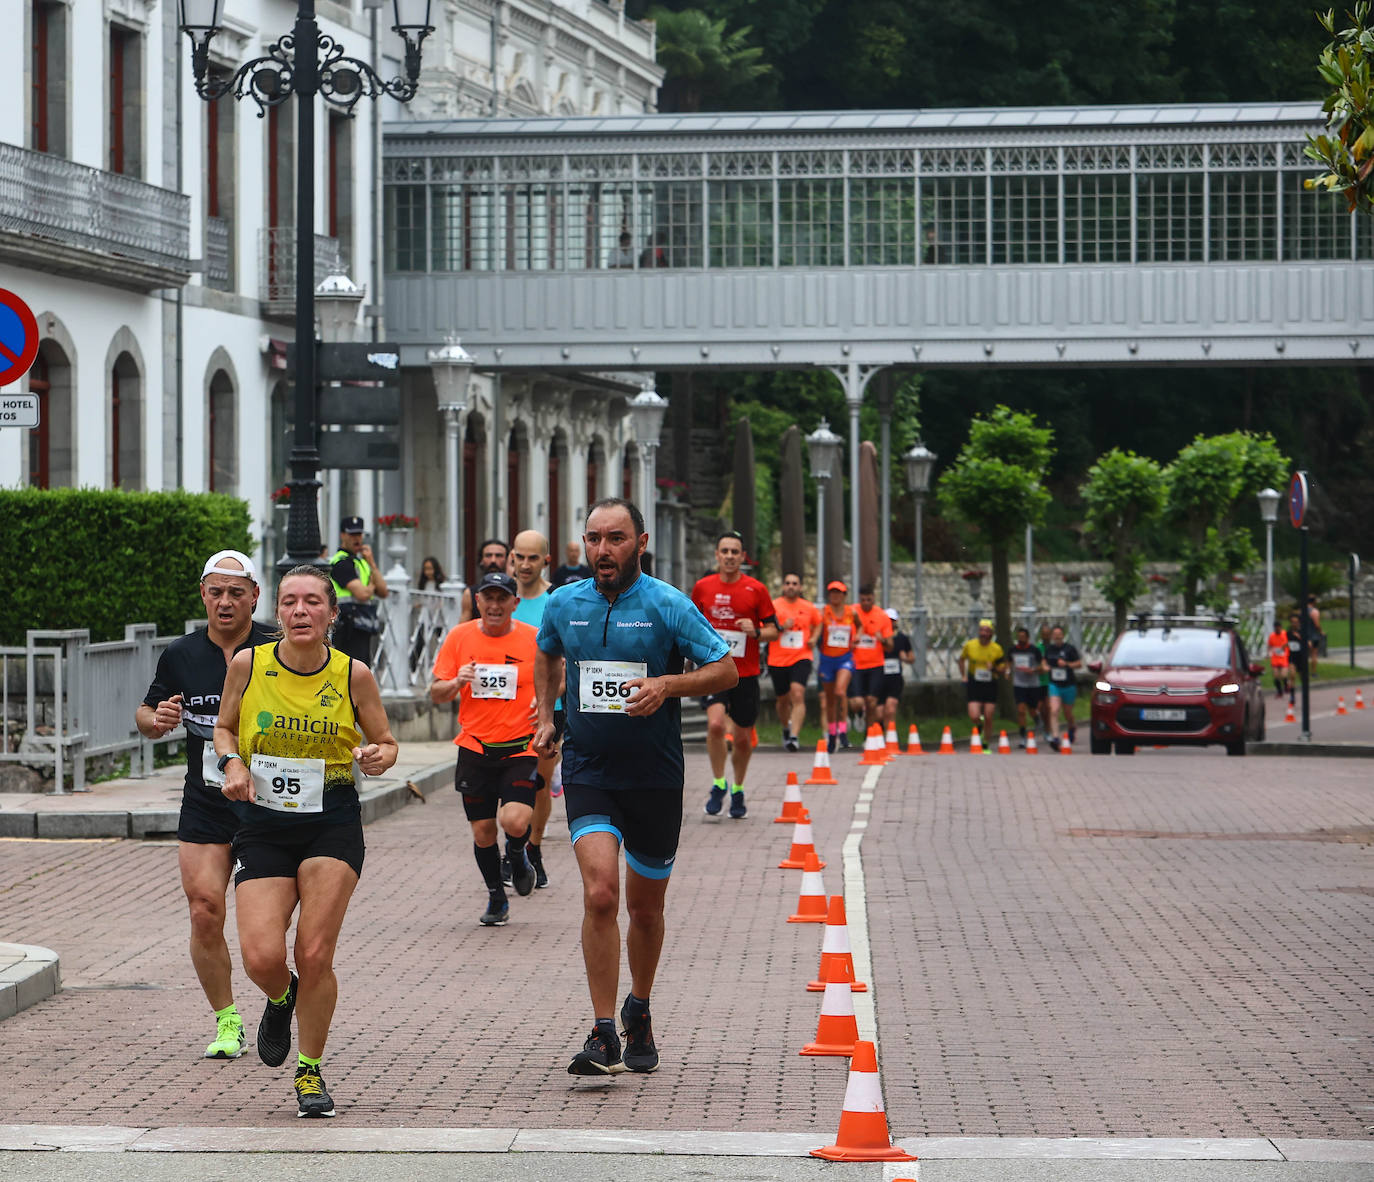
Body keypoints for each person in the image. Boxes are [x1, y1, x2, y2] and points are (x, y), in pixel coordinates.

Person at [533, 498, 735, 1076]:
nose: (603, 550)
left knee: (646, 909)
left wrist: (667, 685)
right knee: (601, 894)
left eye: (615, 538)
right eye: (594, 538)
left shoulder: (668, 604)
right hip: (591, 770)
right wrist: (547, 716)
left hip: (654, 777)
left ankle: (638, 1008)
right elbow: (545, 652)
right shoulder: (562, 603)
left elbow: (727, 669)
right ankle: (602, 1032)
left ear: (640, 542)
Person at [213, 565, 398, 1118]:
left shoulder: (353, 674)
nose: (300, 611)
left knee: (314, 952)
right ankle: (279, 995)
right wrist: (232, 762)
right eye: (290, 601)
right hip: (264, 822)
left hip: (330, 819)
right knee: (261, 957)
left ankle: (310, 1072)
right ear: (276, 613)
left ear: (331, 613)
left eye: (312, 602)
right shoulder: (249, 664)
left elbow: (386, 742)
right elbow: (224, 728)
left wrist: (375, 756)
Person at [135, 550, 277, 1061]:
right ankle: (227, 1019)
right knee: (203, 909)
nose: (225, 601)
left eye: (236, 593)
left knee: (268, 926)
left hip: (268, 801)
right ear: (202, 595)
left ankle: (279, 995)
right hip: (206, 800)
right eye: (215, 592)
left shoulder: (278, 648)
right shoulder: (181, 654)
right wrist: (158, 718)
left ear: (255, 597)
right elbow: (146, 712)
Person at [429, 570, 541, 926]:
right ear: (477, 602)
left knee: (515, 819)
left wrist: (546, 699)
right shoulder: (460, 637)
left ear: (514, 603)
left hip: (520, 747)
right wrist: (455, 681)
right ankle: (497, 896)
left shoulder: (534, 639)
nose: (494, 605)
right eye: (487, 598)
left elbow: (561, 672)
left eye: (501, 598)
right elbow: (436, 692)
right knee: (482, 831)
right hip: (475, 748)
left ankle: (519, 852)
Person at [691, 531, 778, 819]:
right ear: (717, 555)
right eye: (724, 551)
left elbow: (774, 629)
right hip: (714, 670)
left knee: (742, 738)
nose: (729, 556)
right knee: (715, 725)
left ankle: (738, 788)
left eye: (734, 552)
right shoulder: (703, 587)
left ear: (742, 557)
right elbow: (691, 625)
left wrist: (756, 631)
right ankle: (718, 783)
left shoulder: (756, 590)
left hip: (746, 674)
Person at [508, 529, 562, 888]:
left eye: (532, 558)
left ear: (546, 560)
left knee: (539, 783)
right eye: (519, 557)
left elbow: (566, 660)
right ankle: (514, 850)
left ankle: (534, 846)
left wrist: (546, 701)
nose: (525, 565)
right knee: (507, 786)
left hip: (546, 709)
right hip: (503, 709)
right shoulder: (498, 597)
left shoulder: (556, 601)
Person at [768, 571, 821, 753]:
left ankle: (794, 736)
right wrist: (782, 627)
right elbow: (764, 628)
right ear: (783, 586)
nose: (791, 586)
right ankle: (786, 727)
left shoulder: (809, 607)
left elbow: (819, 623)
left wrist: (814, 638)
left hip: (801, 656)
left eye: (795, 583)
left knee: (797, 694)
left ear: (800, 587)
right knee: (782, 700)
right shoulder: (774, 606)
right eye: (788, 583)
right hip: (777, 659)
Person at [329, 517, 389, 666]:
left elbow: (383, 591)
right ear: (343, 535)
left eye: (359, 535)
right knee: (348, 669)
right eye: (352, 535)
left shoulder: (362, 562)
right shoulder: (340, 562)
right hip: (345, 625)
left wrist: (372, 563)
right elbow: (362, 594)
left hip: (362, 624)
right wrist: (371, 585)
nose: (357, 539)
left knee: (362, 668)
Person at [847, 585, 894, 735]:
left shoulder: (882, 616)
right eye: (863, 600)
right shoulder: (852, 612)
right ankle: (857, 714)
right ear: (859, 599)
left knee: (872, 702)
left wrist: (882, 640)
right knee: (857, 703)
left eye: (869, 599)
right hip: (856, 664)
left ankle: (870, 735)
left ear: (874, 598)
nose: (866, 603)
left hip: (875, 665)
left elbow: (890, 646)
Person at [818, 580, 858, 752]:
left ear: (844, 595)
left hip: (845, 658)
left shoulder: (851, 612)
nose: (835, 595)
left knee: (840, 691)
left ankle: (843, 730)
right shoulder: (823, 613)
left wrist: (857, 638)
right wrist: (813, 639)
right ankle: (832, 735)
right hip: (827, 659)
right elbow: (816, 629)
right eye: (832, 592)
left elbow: (862, 627)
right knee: (830, 700)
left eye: (839, 592)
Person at [957, 618, 1005, 745]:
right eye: (981, 630)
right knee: (974, 715)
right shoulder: (970, 645)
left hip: (990, 684)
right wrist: (963, 676)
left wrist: (993, 668)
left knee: (989, 715)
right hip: (974, 682)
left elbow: (1003, 668)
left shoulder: (997, 649)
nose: (983, 633)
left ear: (991, 633)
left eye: (987, 631)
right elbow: (961, 660)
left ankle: (985, 742)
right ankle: (979, 725)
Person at [1042, 624, 1082, 749]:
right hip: (1054, 684)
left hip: (1068, 684)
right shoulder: (1049, 649)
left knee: (1067, 713)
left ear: (1063, 635)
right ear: (1052, 636)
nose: (1057, 637)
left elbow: (1079, 664)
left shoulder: (1070, 649)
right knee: (1054, 710)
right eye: (1055, 635)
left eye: (1059, 635)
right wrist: (1045, 667)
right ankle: (1055, 737)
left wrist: (1067, 664)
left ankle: (1072, 726)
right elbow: (1044, 661)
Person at [1008, 626, 1046, 747]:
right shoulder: (1013, 650)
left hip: (1033, 684)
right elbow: (1008, 664)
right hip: (1019, 684)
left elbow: (1042, 667)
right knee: (1021, 711)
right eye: (1019, 637)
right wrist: (1007, 673)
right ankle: (1023, 737)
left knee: (1032, 710)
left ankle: (1038, 720)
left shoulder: (1034, 650)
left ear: (1028, 638)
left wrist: (1033, 669)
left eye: (1023, 637)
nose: (1021, 639)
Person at [879, 608, 914, 739]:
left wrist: (904, 658)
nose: (890, 622)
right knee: (879, 713)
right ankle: (877, 738)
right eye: (887, 620)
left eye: (892, 620)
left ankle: (891, 739)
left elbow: (912, 658)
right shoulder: (879, 637)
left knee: (891, 709)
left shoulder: (902, 638)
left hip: (895, 678)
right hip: (879, 677)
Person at [460, 538, 511, 622]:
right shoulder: (470, 594)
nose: (493, 560)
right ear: (481, 560)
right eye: (488, 555)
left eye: (498, 556)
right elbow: (462, 629)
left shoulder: (516, 591)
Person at [1266, 618, 1292, 701]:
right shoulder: (1272, 636)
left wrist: (1286, 647)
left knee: (1284, 675)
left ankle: (1286, 684)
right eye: (1276, 628)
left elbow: (1290, 642)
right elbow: (1269, 646)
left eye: (1279, 627)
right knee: (1276, 676)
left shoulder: (1285, 634)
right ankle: (1279, 691)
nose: (1277, 629)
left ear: (1281, 627)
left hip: (1284, 657)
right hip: (1275, 658)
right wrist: (1269, 653)